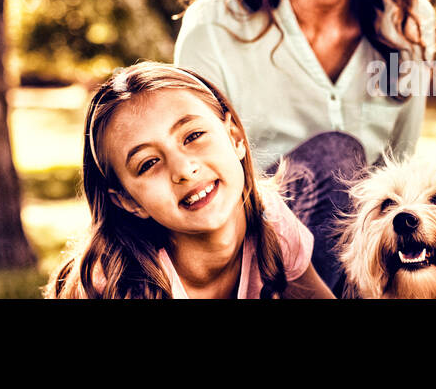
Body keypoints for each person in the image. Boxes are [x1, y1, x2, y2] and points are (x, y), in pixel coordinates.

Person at [173, 0, 436, 296]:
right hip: (243, 254)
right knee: (337, 156)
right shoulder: (215, 25)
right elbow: (194, 168)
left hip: (360, 257)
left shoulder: (409, 21)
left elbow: (400, 167)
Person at [46, 62, 334, 299]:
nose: (183, 169)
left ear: (234, 137)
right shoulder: (117, 285)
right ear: (129, 201)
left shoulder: (271, 221)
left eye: (193, 136)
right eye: (148, 163)